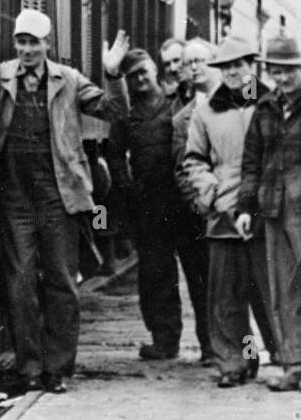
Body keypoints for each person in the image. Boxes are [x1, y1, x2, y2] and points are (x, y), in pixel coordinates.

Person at [0, 7, 127, 393]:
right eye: (22, 41)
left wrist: (113, 74)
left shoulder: (68, 81)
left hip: (57, 196)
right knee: (18, 284)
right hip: (15, 196)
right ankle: (29, 367)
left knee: (62, 283)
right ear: (14, 43)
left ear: (48, 44)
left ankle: (57, 370)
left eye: (34, 42)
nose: (28, 49)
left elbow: (114, 111)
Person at [109, 48, 208, 360]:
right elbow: (114, 154)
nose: (139, 79)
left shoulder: (176, 102)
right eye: (133, 75)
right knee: (156, 276)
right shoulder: (126, 115)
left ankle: (211, 344)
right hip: (149, 206)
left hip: (183, 202)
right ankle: (165, 342)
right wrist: (128, 187)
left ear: (154, 70)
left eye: (143, 72)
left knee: (200, 274)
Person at [183, 37, 271, 387]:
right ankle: (234, 362)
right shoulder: (206, 112)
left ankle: (285, 358)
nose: (233, 72)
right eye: (226, 66)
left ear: (252, 64)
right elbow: (194, 159)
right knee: (226, 296)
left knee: (269, 293)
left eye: (239, 64)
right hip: (224, 214)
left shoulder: (270, 105)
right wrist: (213, 191)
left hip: (266, 213)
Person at [236, 34, 301, 391]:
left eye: (290, 70)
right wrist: (246, 207)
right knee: (283, 291)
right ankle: (294, 365)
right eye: (276, 71)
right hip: (275, 209)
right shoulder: (264, 108)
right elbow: (252, 163)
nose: (283, 77)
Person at [171, 38, 225, 365]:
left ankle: (266, 349)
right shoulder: (181, 119)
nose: (194, 67)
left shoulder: (240, 103)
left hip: (235, 209)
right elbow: (180, 167)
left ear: (214, 61)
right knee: (201, 281)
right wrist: (199, 204)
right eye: (188, 62)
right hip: (198, 214)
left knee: (243, 285)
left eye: (200, 60)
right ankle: (210, 347)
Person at [158, 37, 193, 104]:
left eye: (176, 60)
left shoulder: (202, 92)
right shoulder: (173, 99)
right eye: (167, 64)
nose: (172, 69)